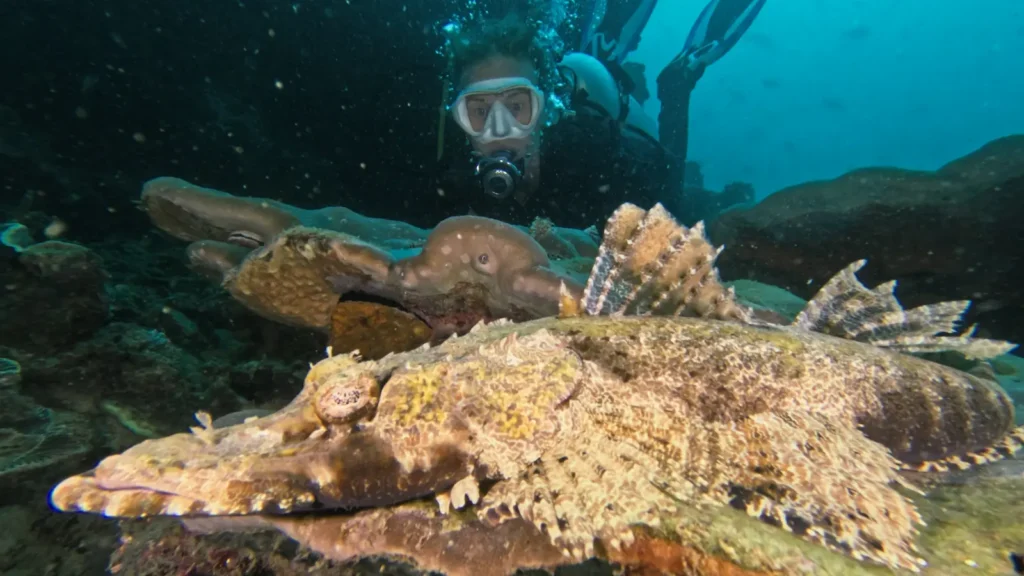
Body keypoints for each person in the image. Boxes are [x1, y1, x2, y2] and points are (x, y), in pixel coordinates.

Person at [430, 0, 765, 230]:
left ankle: (678, 80)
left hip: (616, 120)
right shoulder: (455, 181)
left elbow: (665, 192)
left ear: (545, 110)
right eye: (479, 111)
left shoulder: (593, 151)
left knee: (673, 204)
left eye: (517, 107)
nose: (500, 129)